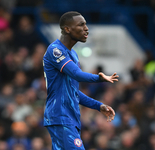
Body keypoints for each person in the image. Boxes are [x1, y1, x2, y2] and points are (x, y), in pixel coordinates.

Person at [43, 11, 119, 150]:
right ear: (67, 29)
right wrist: (98, 78)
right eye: (81, 25)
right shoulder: (55, 50)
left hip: (70, 118)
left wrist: (98, 106)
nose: (86, 28)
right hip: (60, 116)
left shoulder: (73, 54)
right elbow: (76, 74)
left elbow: (73, 92)